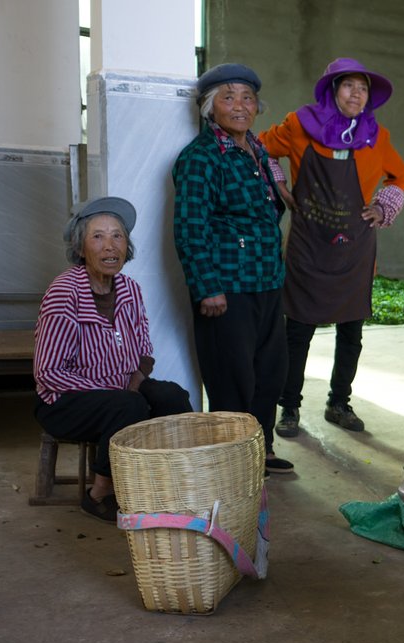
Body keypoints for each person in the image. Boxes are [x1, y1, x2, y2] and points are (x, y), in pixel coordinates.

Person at [259, 57, 404, 437]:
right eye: (348, 86)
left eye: (363, 88)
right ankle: (289, 407)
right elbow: (260, 148)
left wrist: (383, 205)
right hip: (308, 245)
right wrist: (278, 184)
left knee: (351, 333)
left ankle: (338, 402)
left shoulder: (378, 136)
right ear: (331, 89)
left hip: (354, 250)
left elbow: (400, 175)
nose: (356, 94)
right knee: (297, 332)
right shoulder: (299, 124)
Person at [34, 197, 193, 523]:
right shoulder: (65, 291)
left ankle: (170, 481)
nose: (110, 246)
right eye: (98, 237)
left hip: (121, 390)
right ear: (81, 248)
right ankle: (100, 493)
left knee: (172, 396)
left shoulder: (130, 289)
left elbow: (144, 346)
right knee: (128, 407)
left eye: (117, 236)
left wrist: (137, 378)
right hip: (64, 402)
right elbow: (48, 372)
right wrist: (115, 392)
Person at [172, 62, 294, 477]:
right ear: (210, 108)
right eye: (228, 97)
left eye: (247, 97)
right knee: (232, 376)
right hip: (227, 285)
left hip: (265, 280)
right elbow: (190, 226)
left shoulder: (256, 151)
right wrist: (207, 286)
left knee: (269, 373)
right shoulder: (201, 158)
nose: (239, 105)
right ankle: (231, 458)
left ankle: (260, 449)